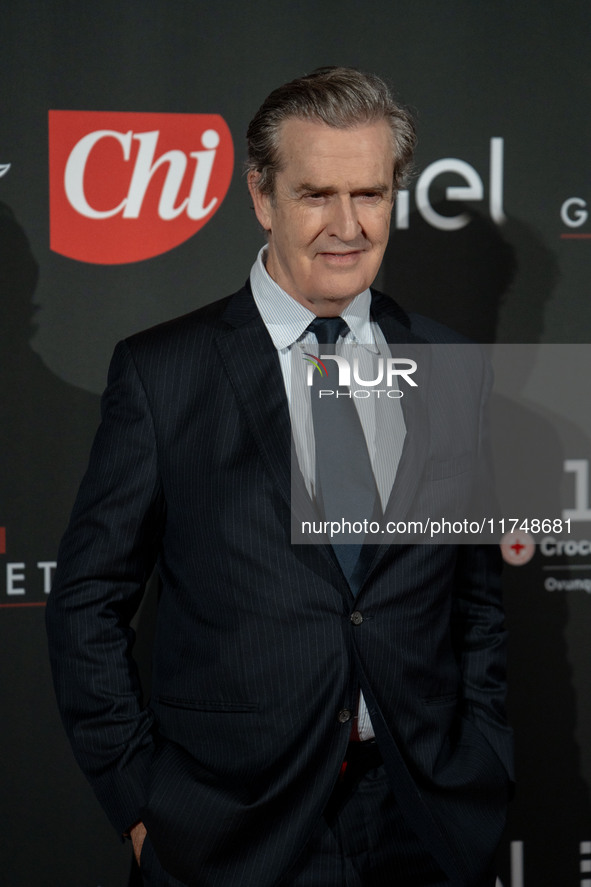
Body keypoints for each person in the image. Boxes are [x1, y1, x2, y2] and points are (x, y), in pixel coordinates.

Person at [46, 67, 513, 887]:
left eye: (368, 194)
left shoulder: (449, 363)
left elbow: (473, 600)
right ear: (261, 197)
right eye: (315, 195)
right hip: (229, 832)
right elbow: (87, 600)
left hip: (422, 819)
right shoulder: (164, 373)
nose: (346, 226)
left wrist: (481, 756)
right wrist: (141, 804)